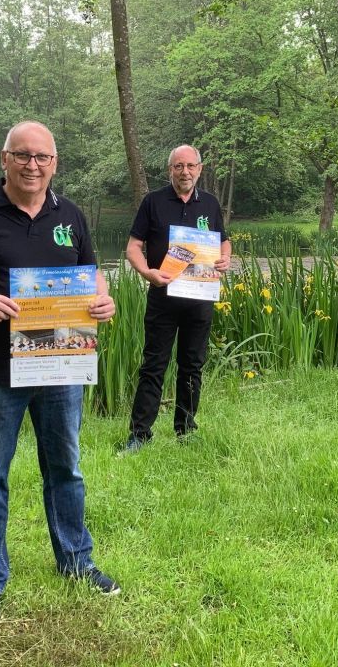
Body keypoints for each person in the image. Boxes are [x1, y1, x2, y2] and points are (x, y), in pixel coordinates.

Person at [0, 121, 119, 623]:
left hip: (62, 367)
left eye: (44, 158)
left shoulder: (70, 214)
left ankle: (76, 561)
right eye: (24, 156)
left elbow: (92, 272)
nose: (34, 166)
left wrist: (102, 299)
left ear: (55, 163)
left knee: (66, 470)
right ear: (4, 158)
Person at [123, 145, 231, 451]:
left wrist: (224, 259)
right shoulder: (153, 202)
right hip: (163, 297)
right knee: (153, 365)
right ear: (170, 170)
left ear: (200, 168)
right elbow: (133, 247)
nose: (185, 172)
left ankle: (186, 430)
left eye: (190, 166)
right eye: (178, 166)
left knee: (192, 365)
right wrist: (148, 273)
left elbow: (224, 243)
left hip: (200, 300)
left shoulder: (209, 204)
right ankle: (139, 434)